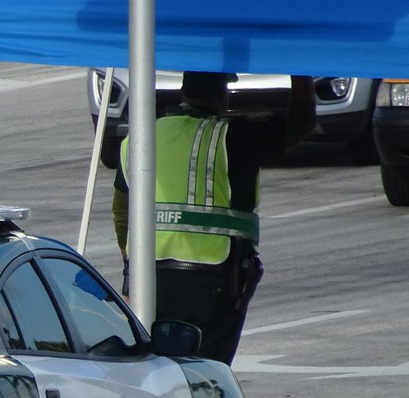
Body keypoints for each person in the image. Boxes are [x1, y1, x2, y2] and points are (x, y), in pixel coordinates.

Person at [112, 71, 316, 364]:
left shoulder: (139, 138)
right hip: (213, 281)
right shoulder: (235, 136)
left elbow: (121, 211)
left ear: (183, 92)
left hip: (148, 278)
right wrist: (301, 73)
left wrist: (130, 267)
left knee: (151, 370)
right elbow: (302, 123)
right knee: (206, 373)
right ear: (224, 94)